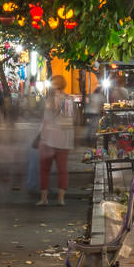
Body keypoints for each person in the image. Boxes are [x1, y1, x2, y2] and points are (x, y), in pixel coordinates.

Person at [37, 76, 75, 206]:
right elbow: (69, 120)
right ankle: (61, 198)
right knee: (62, 170)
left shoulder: (49, 100)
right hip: (64, 139)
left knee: (44, 170)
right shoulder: (68, 99)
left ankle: (44, 199)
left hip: (49, 139)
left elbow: (45, 120)